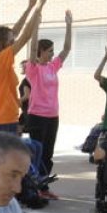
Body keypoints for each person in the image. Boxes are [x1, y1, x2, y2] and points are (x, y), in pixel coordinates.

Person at [0, 0, 50, 135]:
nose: (13, 41)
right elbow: (24, 36)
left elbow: (17, 32)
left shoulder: (0, 61)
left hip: (7, 120)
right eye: (10, 40)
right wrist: (39, 6)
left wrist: (30, 8)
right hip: (0, 123)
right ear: (1, 43)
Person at [25, 10, 72, 178]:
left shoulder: (53, 67)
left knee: (48, 153)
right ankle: (33, 183)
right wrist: (36, 26)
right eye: (50, 51)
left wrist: (69, 25)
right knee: (37, 152)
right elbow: (32, 49)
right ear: (42, 52)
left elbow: (67, 49)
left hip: (53, 116)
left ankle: (43, 182)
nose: (53, 53)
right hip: (37, 116)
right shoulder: (33, 69)